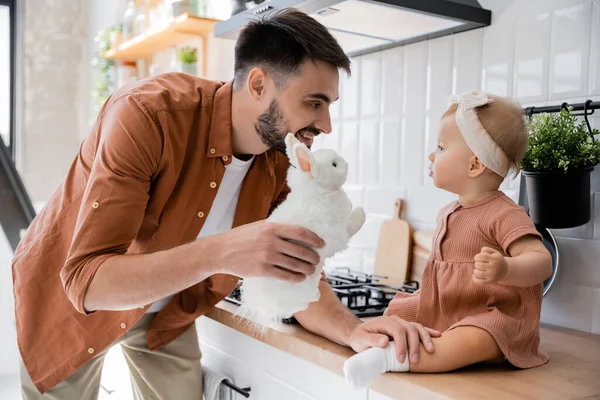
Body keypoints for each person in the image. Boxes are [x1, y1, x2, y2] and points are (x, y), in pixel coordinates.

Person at [13, 9, 437, 399]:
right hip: (70, 305)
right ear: (257, 85)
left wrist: (355, 330)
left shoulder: (280, 159)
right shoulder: (148, 115)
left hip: (165, 315)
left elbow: (298, 270)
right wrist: (225, 251)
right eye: (314, 103)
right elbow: (88, 281)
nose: (326, 124)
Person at [343, 90, 553, 389]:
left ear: (474, 165)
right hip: (446, 310)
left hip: (494, 318)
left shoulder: (504, 213)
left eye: (441, 148)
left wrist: (506, 269)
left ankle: (391, 359)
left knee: (477, 335)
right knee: (399, 312)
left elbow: (541, 261)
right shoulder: (447, 211)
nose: (431, 155)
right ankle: (387, 344)